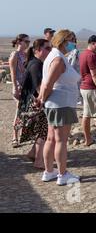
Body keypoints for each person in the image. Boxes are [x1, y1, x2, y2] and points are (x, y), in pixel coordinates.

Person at [37, 30, 81, 186]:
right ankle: (63, 174)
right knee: (60, 140)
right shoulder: (58, 59)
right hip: (61, 104)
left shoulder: (54, 56)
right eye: (70, 40)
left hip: (55, 103)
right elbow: (48, 83)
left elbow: (45, 82)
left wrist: (42, 99)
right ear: (62, 41)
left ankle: (49, 171)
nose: (73, 43)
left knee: (51, 139)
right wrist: (43, 98)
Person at [17, 39, 52, 169]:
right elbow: (39, 86)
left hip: (32, 101)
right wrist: (45, 100)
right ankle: (39, 160)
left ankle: (33, 153)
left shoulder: (34, 63)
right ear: (37, 50)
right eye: (47, 48)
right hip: (36, 102)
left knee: (41, 130)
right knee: (43, 131)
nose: (49, 51)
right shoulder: (36, 65)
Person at [9, 34, 30, 148]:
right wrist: (15, 88)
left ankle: (23, 134)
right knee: (19, 111)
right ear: (19, 42)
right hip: (19, 86)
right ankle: (15, 136)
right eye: (26, 41)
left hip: (26, 86)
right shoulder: (15, 55)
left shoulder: (26, 55)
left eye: (29, 41)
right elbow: (13, 72)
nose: (28, 43)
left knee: (25, 111)